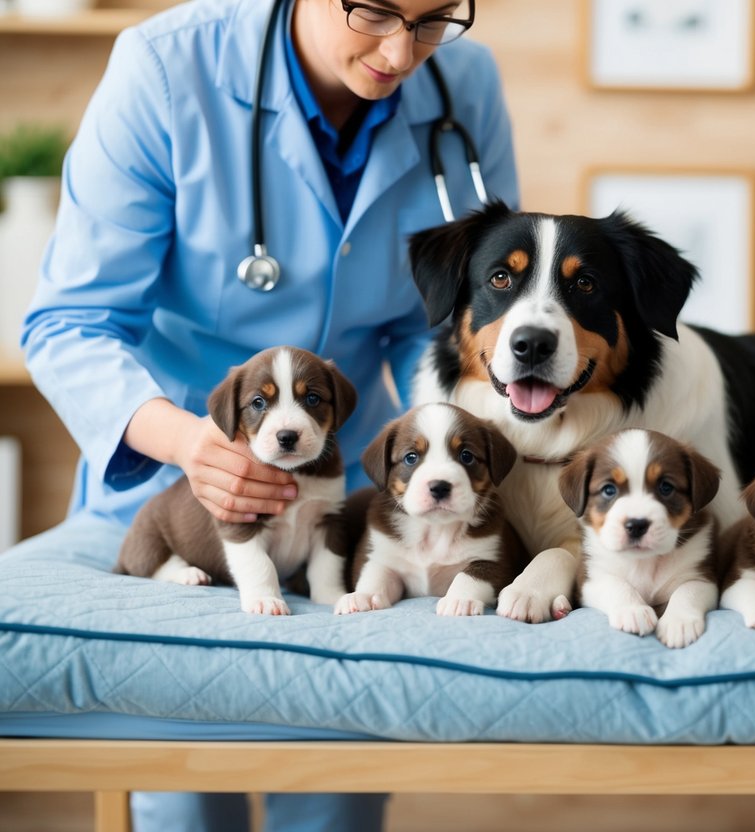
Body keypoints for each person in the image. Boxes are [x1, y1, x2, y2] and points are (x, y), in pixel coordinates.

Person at [16, 0, 518, 828]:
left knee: (331, 784)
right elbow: (70, 322)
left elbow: (444, 325)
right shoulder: (165, 68)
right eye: (376, 10)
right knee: (186, 793)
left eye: (435, 18)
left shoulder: (464, 86)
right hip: (173, 479)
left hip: (337, 500)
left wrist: (440, 445)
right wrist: (189, 444)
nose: (402, 50)